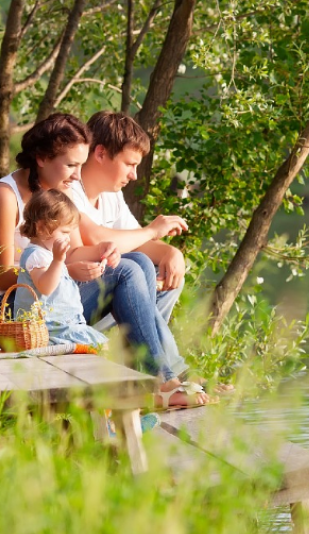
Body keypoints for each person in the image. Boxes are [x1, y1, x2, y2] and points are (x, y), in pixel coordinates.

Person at [0, 112, 213, 407]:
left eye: (80, 165)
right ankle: (163, 381)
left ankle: (148, 375)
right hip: (12, 311)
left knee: (134, 260)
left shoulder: (56, 192)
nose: (76, 175)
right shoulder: (4, 196)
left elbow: (72, 251)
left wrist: (105, 250)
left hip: (50, 298)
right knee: (125, 271)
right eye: (71, 165)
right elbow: (1, 276)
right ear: (42, 158)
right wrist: (64, 270)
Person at [71, 111, 219, 388]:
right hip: (70, 301)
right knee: (131, 266)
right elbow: (96, 240)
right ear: (101, 153)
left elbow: (136, 239)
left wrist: (170, 254)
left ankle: (149, 366)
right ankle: (167, 375)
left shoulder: (111, 196)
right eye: (129, 164)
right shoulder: (68, 188)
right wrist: (153, 231)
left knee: (164, 271)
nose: (134, 175)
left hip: (96, 295)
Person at [13, 189, 107, 347]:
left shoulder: (47, 255)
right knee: (101, 346)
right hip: (47, 329)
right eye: (64, 232)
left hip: (62, 324)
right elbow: (45, 287)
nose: (68, 238)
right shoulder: (36, 256)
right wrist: (58, 261)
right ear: (42, 227)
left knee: (103, 344)